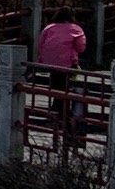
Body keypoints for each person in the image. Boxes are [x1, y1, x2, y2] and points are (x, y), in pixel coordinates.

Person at [35, 15, 91, 150]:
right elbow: (81, 47)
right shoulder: (75, 29)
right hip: (68, 63)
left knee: (56, 84)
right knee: (67, 86)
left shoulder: (49, 28)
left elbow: (40, 44)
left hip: (51, 62)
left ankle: (57, 107)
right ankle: (63, 111)